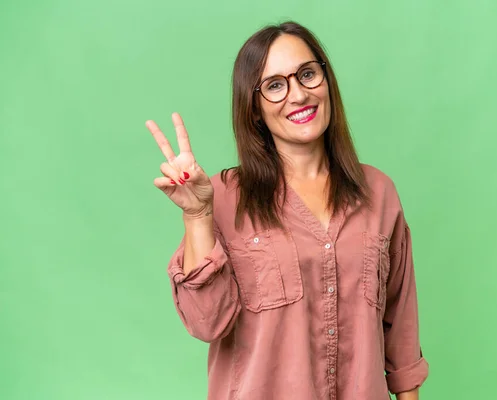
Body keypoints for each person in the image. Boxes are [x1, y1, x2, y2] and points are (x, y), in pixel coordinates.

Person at [146, 21, 428, 400]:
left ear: (326, 81)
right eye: (275, 85)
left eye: (308, 75)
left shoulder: (378, 193)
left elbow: (401, 330)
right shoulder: (224, 196)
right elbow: (206, 323)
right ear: (256, 108)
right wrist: (197, 216)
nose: (298, 94)